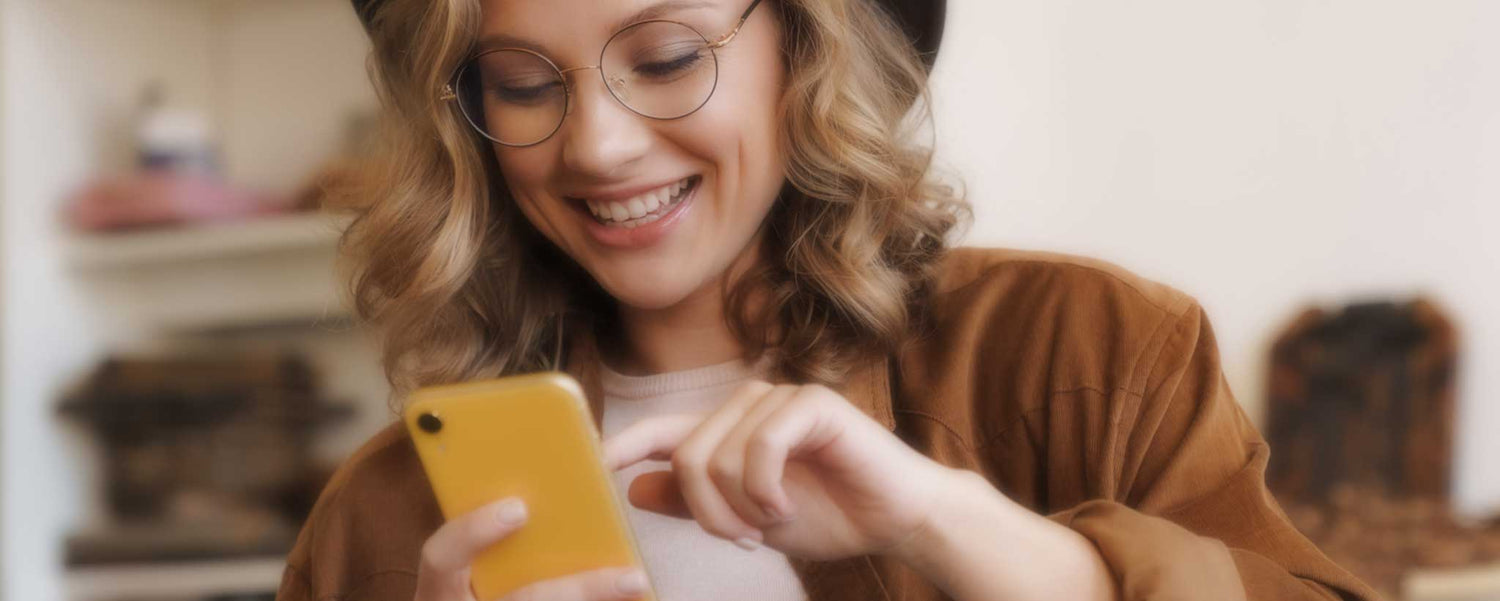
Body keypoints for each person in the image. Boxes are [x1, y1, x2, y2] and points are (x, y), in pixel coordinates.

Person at [277, 0, 1379, 600]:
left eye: (667, 58)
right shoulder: (380, 522)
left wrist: (945, 525)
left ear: (806, 44)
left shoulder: (1088, 354)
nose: (597, 146)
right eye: (522, 84)